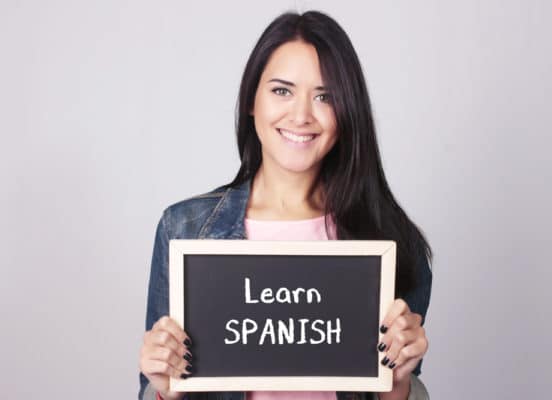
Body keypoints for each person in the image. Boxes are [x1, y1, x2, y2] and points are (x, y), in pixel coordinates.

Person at [138, 10, 433, 400]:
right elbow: (157, 387)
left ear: (347, 112)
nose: (301, 115)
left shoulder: (393, 241)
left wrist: (397, 383)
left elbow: (397, 386)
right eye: (282, 91)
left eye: (325, 97)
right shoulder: (184, 229)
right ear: (251, 100)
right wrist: (164, 389)